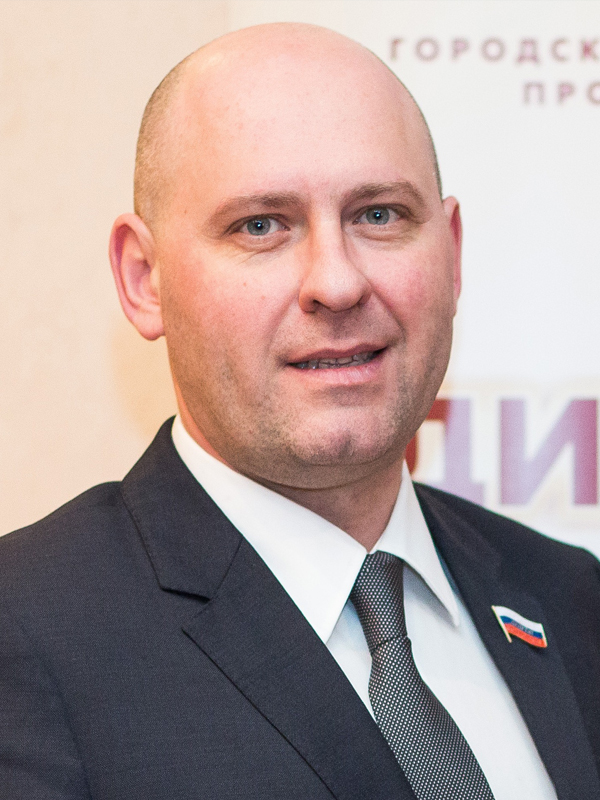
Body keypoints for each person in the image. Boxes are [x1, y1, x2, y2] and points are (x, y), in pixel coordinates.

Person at [0, 22, 599, 800]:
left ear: (451, 253)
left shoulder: (571, 598)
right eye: (261, 226)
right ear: (145, 278)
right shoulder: (27, 630)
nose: (337, 283)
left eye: (379, 215)